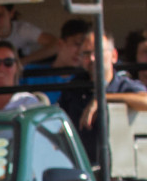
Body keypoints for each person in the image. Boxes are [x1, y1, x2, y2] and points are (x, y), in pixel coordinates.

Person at [59, 30, 147, 163]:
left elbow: (145, 100)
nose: (93, 58)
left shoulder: (123, 85)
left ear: (114, 56)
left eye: (98, 51)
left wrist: (103, 99)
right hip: (84, 172)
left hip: (123, 175)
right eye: (87, 54)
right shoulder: (73, 89)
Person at [0, 4, 58, 73]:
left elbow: (55, 45)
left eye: (0, 15)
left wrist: (24, 61)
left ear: (11, 13)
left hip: (17, 80)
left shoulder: (23, 30)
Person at [22, 18, 92, 105]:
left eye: (85, 48)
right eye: (77, 44)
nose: (80, 52)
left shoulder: (87, 78)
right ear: (60, 44)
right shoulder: (29, 73)